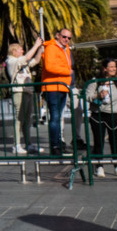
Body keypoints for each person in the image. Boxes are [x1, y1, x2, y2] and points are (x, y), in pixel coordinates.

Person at [85, 59, 117, 178]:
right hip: (98, 115)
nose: (114, 69)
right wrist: (97, 95)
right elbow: (87, 96)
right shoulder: (95, 81)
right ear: (104, 68)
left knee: (115, 142)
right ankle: (99, 166)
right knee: (99, 142)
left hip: (115, 115)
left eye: (115, 66)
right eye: (111, 66)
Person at [5, 38, 44, 154]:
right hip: (19, 92)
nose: (22, 51)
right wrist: (36, 45)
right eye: (20, 49)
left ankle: (28, 144)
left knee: (27, 120)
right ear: (14, 51)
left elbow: (35, 61)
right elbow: (26, 58)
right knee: (19, 118)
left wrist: (40, 50)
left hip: (28, 91)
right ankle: (16, 145)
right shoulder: (11, 61)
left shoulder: (21, 61)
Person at [40, 28, 74, 156]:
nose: (66, 40)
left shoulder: (65, 49)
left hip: (63, 87)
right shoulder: (51, 47)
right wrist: (67, 72)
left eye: (69, 38)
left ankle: (59, 144)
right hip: (53, 88)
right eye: (64, 37)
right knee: (54, 117)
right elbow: (49, 67)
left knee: (58, 117)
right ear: (58, 36)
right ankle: (54, 145)